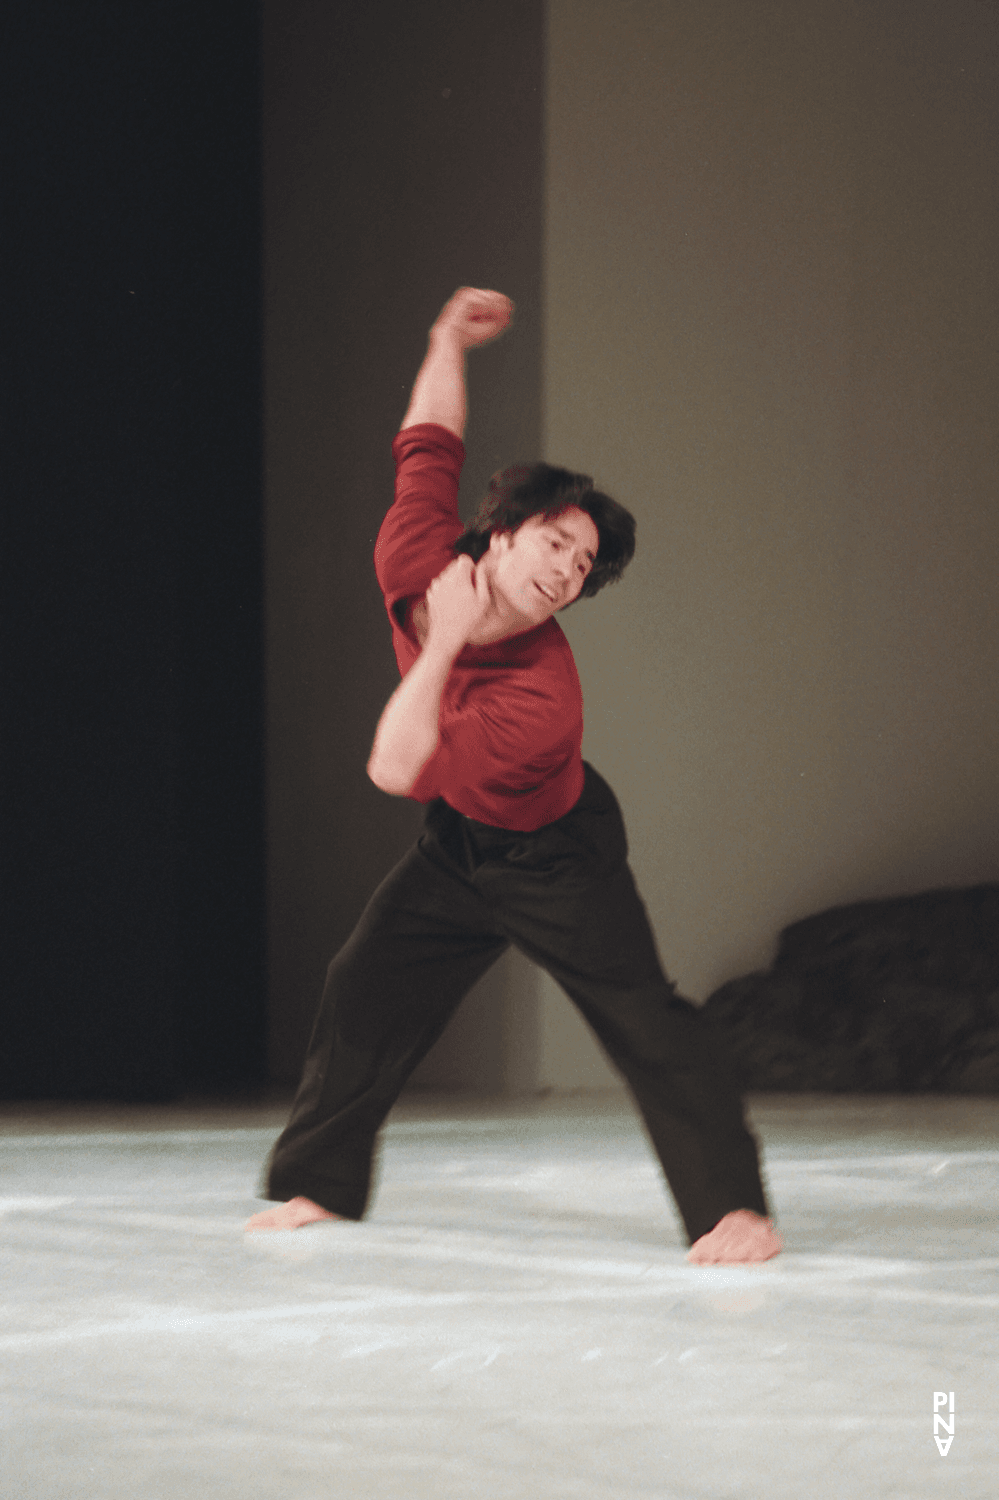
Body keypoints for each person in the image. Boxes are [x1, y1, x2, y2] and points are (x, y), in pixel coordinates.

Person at [246, 287, 782, 1264]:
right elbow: (430, 439)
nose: (567, 573)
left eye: (583, 569)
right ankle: (317, 1191)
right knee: (363, 986)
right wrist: (446, 338)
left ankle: (734, 1210)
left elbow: (393, 764)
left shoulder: (541, 695)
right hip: (460, 843)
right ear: (500, 534)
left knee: (645, 1020)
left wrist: (447, 640)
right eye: (555, 545)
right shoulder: (415, 551)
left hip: (555, 851)